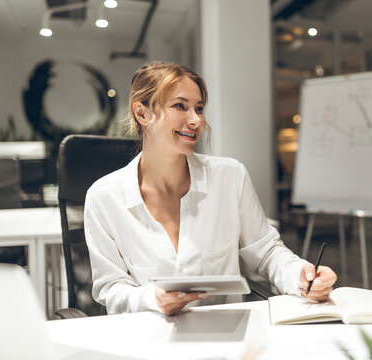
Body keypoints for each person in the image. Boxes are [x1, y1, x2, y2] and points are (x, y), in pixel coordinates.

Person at [84, 62, 337, 316]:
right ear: (142, 114)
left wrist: (302, 276)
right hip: (151, 340)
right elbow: (111, 287)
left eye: (199, 108)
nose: (196, 120)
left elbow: (266, 254)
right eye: (180, 106)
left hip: (228, 342)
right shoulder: (104, 197)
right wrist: (154, 299)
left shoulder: (230, 176)